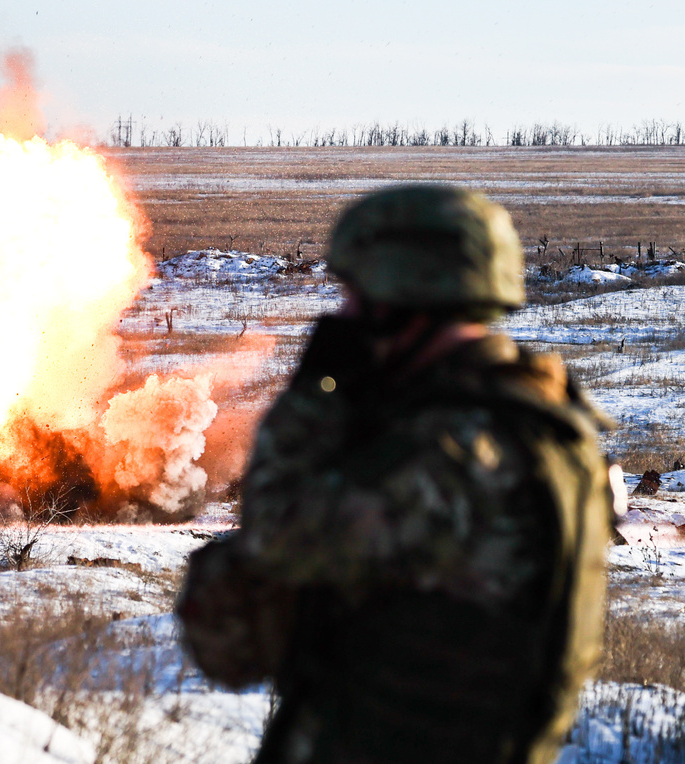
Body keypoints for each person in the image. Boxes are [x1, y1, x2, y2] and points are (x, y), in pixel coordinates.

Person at [177, 185, 619, 764]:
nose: (345, 314)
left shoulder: (440, 458)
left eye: (356, 297)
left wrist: (311, 400)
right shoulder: (553, 431)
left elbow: (241, 610)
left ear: (400, 301)